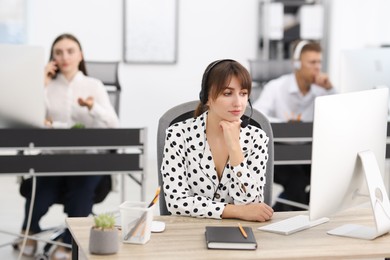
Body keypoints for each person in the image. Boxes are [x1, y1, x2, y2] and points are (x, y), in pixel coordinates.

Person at [18, 33, 119, 260]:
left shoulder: (93, 85)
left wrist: (93, 107)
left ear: (80, 55)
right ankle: (29, 232)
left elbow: (114, 124)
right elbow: (29, 120)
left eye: (70, 51)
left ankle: (66, 244)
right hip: (53, 160)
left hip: (87, 161)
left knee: (81, 193)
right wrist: (41, 84)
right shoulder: (47, 86)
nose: (65, 57)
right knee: (39, 193)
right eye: (58, 52)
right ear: (52, 58)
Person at [161, 59, 274, 222]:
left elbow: (253, 205)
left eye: (243, 94)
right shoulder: (178, 134)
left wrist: (235, 148)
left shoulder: (256, 138)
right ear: (207, 98)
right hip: (189, 230)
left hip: (240, 232)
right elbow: (176, 202)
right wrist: (237, 211)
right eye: (227, 93)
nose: (238, 103)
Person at [253, 40, 336, 211]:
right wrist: (285, 125)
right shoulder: (276, 87)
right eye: (312, 62)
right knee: (298, 182)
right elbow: (258, 116)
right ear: (297, 64)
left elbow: (339, 115)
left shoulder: (322, 90)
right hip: (280, 155)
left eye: (319, 62)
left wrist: (331, 89)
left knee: (326, 179)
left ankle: (279, 209)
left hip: (308, 154)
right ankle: (297, 216)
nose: (317, 67)